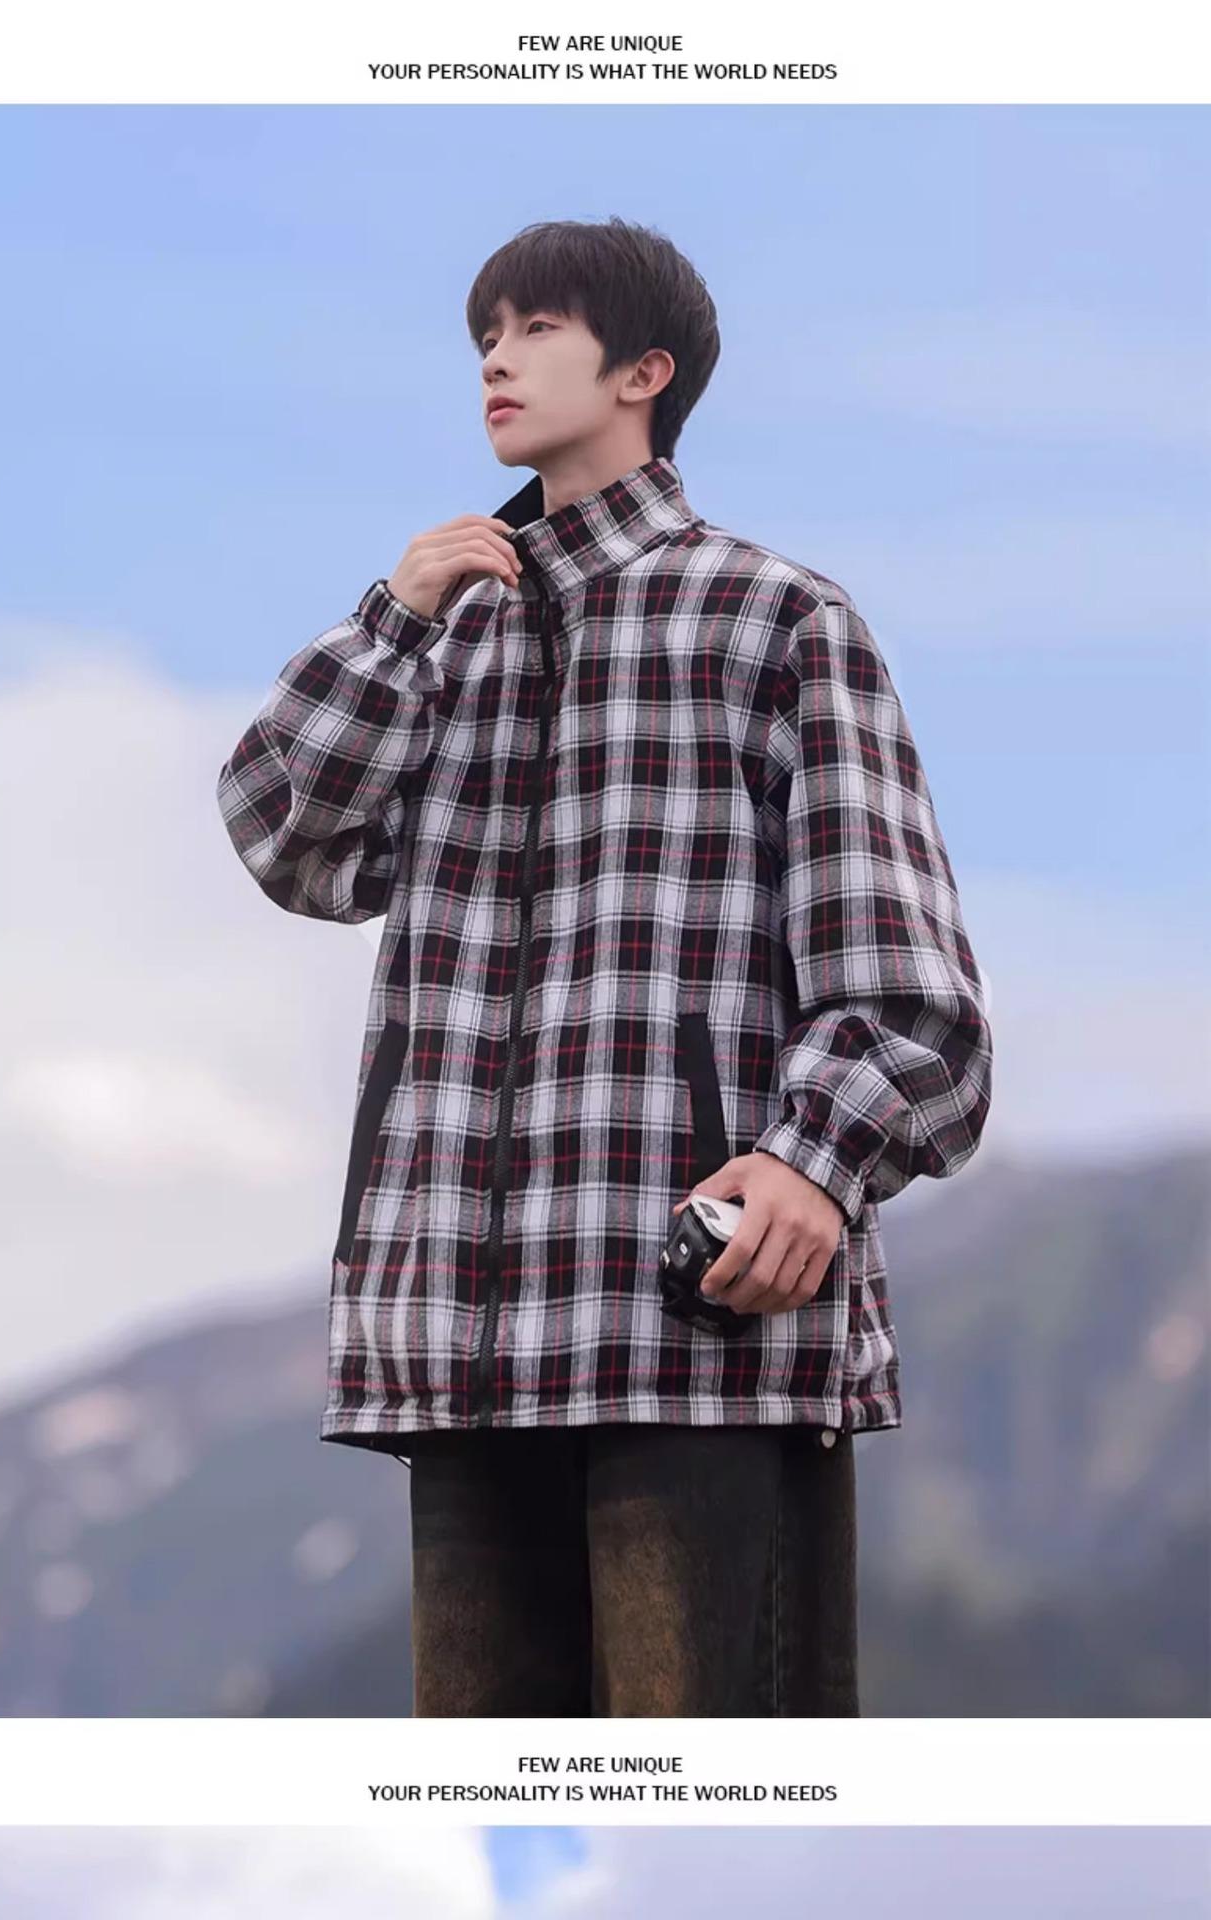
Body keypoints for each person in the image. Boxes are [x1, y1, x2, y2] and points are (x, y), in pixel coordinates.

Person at [215, 216, 994, 1718]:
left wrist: (813, 1163)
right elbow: (284, 838)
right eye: (481, 336)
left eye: (535, 327)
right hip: (454, 1333)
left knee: (715, 1806)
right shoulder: (437, 645)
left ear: (646, 372)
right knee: (496, 1815)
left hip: (693, 1318)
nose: (495, 361)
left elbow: (908, 985)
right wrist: (391, 620)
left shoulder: (774, 617)